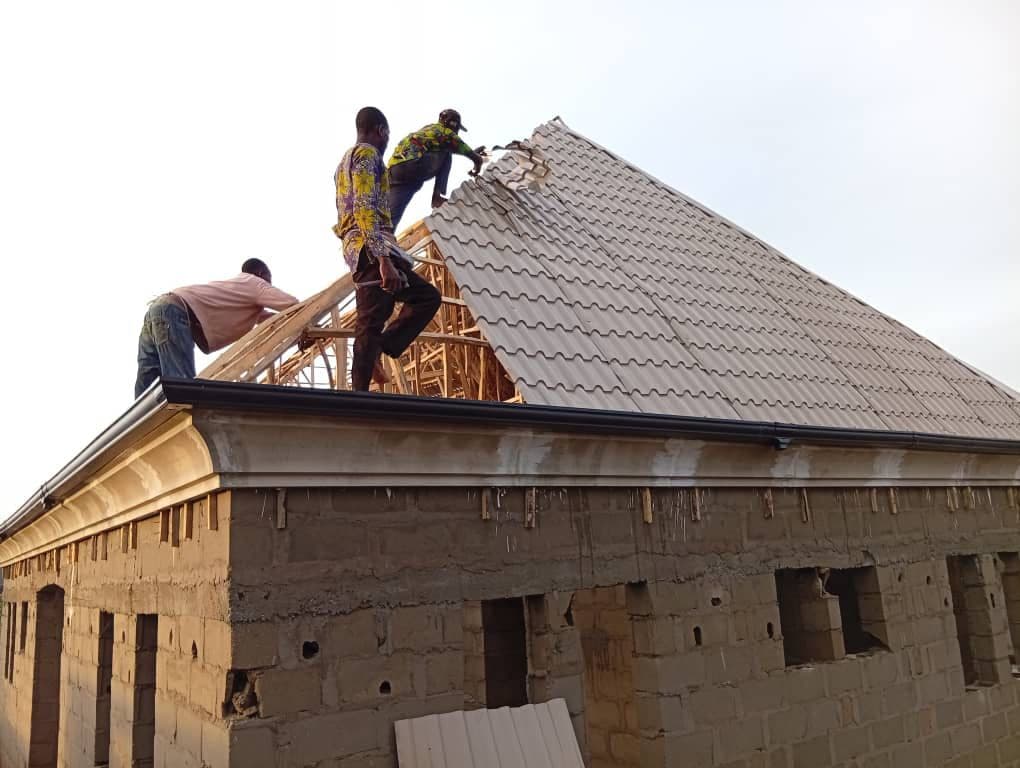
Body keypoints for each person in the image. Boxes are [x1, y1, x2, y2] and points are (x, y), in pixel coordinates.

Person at [333, 106, 441, 392]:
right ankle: (358, 397)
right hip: (371, 250)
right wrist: (383, 260)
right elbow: (364, 208)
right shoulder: (368, 156)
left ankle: (380, 349)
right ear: (381, 131)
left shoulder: (343, 164)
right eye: (387, 135)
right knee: (370, 322)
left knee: (424, 297)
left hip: (364, 249)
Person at [134, 258, 298, 397]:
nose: (269, 285)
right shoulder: (254, 283)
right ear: (261, 274)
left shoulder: (240, 292)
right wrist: (308, 318)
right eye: (268, 279)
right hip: (174, 314)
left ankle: (140, 424)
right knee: (181, 387)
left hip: (158, 310)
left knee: (146, 384)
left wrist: (296, 331)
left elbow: (271, 320)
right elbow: (292, 304)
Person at [387, 108, 485, 228]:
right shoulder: (445, 132)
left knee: (395, 205)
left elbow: (447, 148)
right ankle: (437, 198)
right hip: (414, 165)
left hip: (395, 169)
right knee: (447, 154)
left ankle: (384, 230)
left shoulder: (429, 128)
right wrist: (477, 163)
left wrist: (472, 153)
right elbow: (470, 155)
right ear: (453, 124)